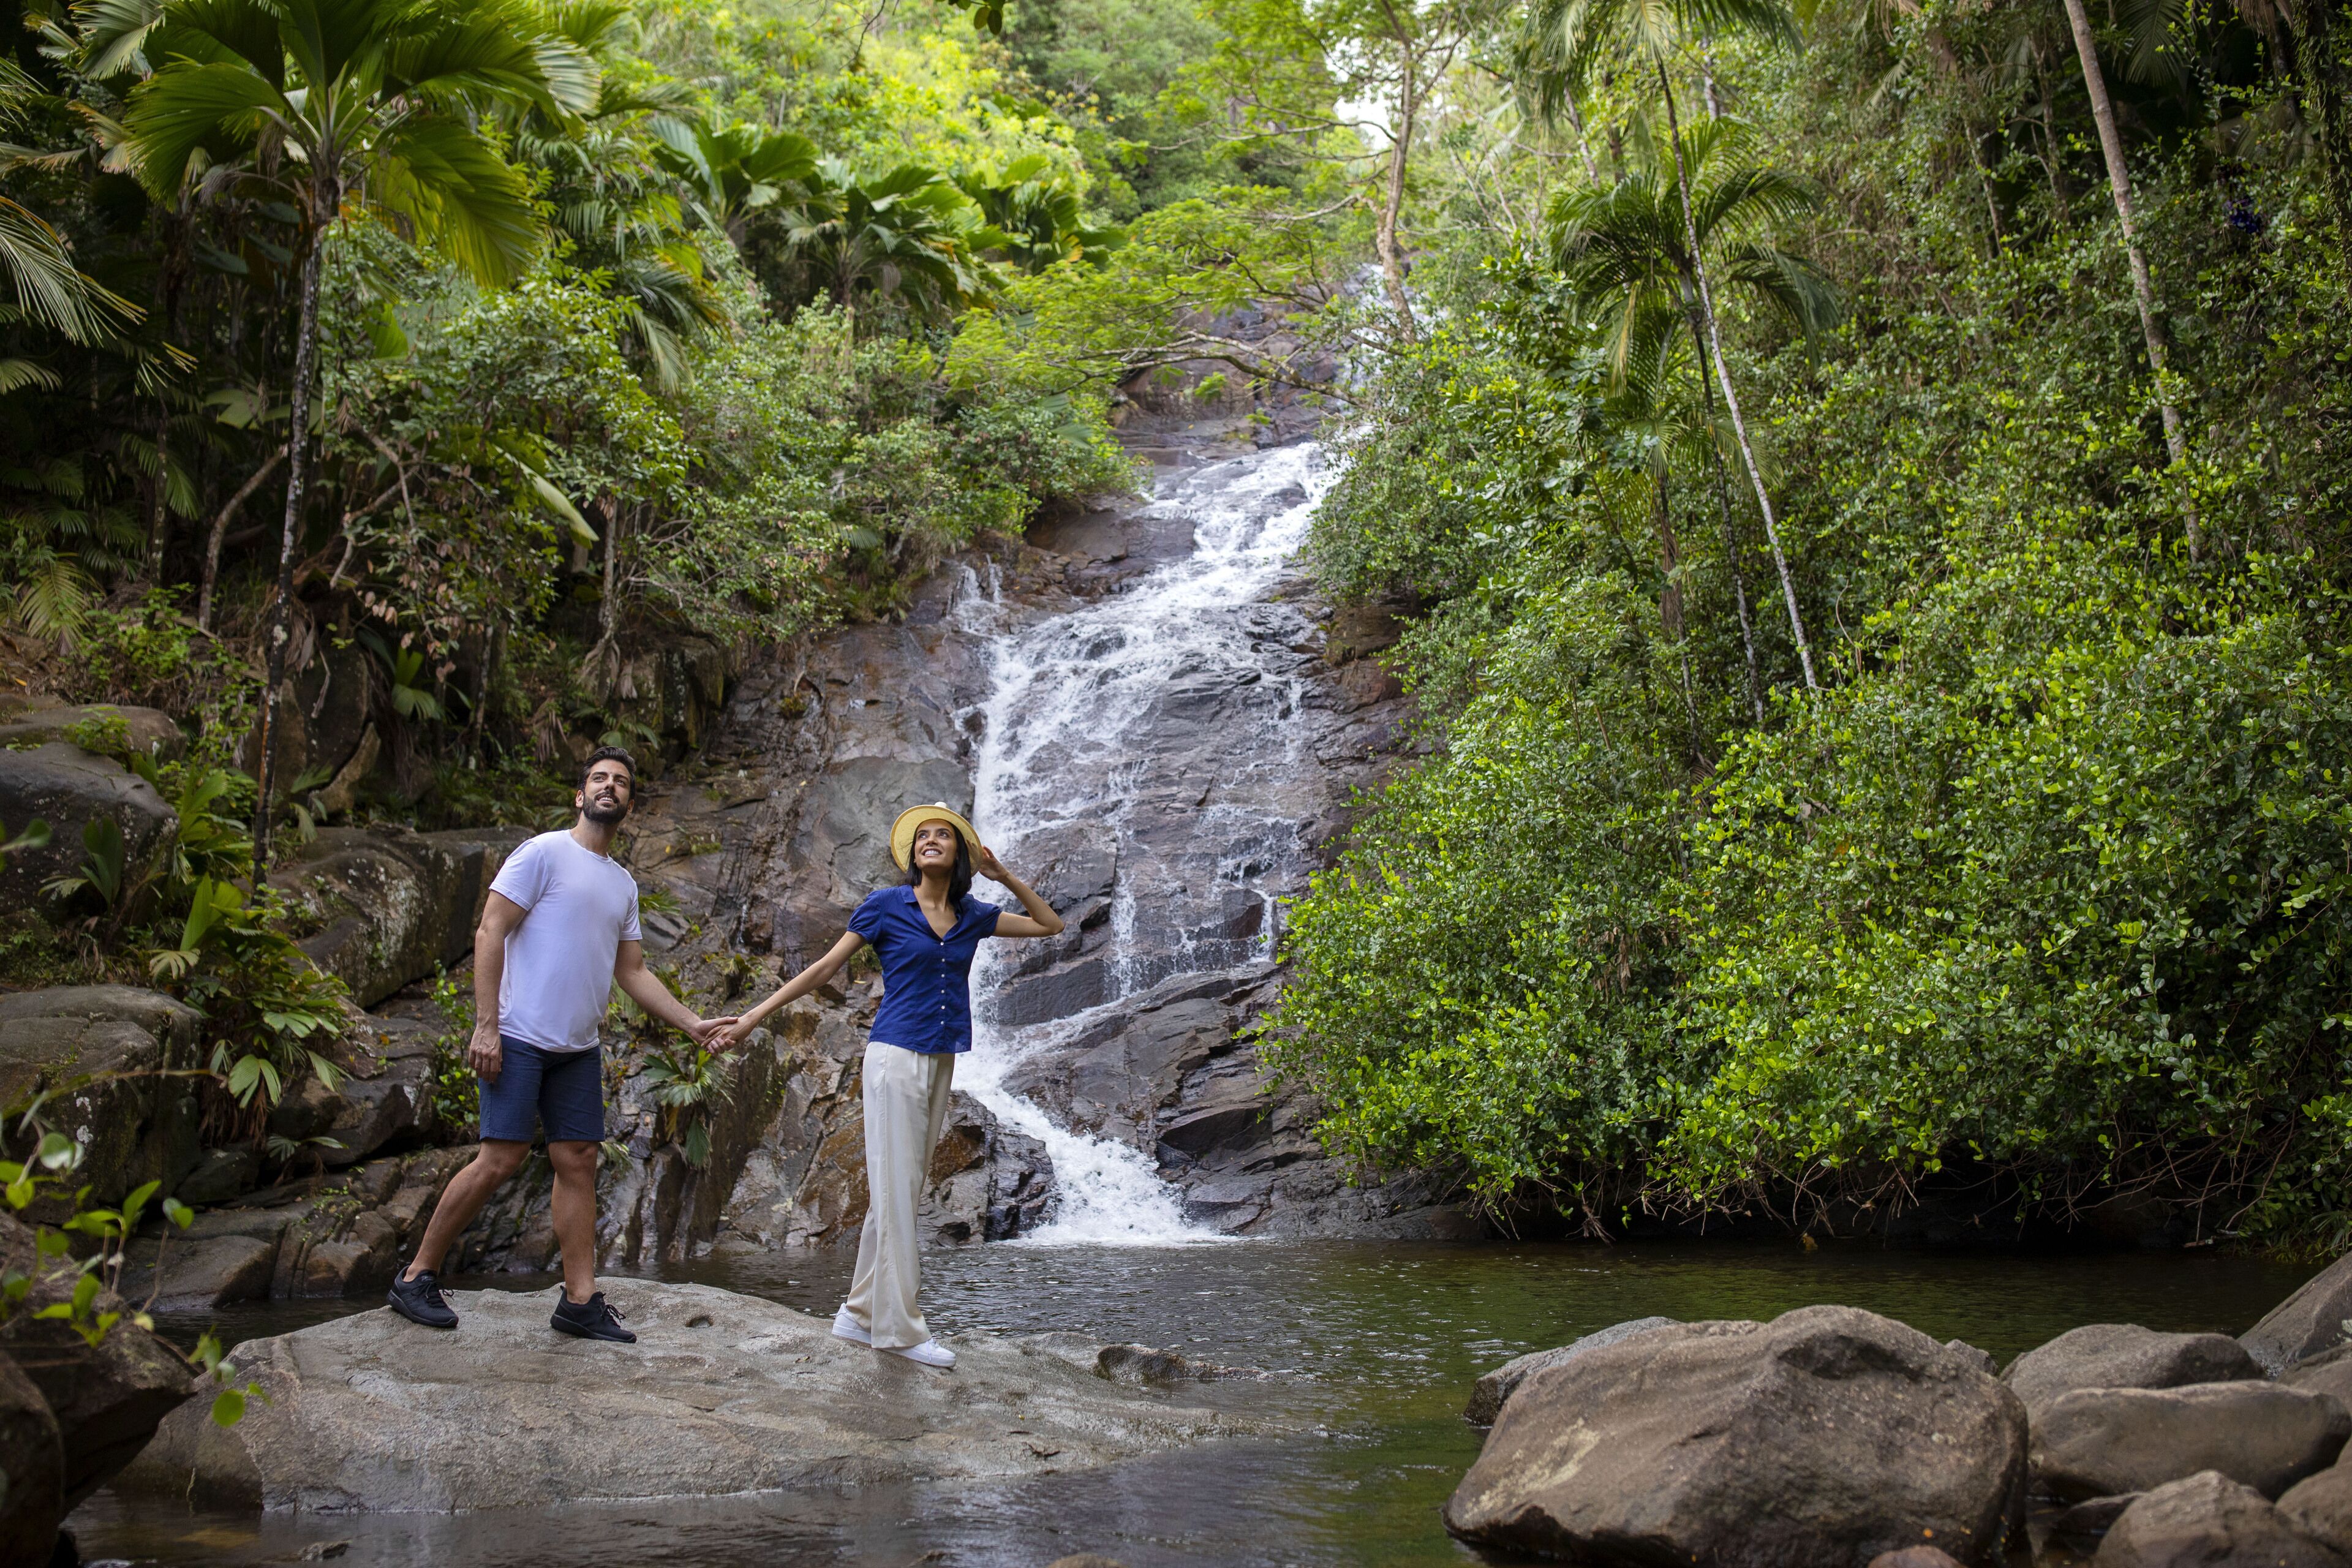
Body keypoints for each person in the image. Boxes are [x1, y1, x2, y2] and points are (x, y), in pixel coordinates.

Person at [386, 745, 735, 1341]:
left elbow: (633, 973)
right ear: (580, 795)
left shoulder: (623, 885)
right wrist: (486, 1023)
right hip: (518, 1036)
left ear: (629, 803)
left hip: (578, 1048)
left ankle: (579, 1301)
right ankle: (416, 1275)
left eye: (621, 782)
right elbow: (491, 928)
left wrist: (693, 1023)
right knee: (500, 1159)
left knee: (578, 1161)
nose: (610, 787)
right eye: (599, 778)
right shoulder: (544, 852)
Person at [720, 803, 1063, 1368]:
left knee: (898, 1193)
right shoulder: (885, 906)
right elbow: (824, 970)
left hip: (941, 1059)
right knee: (897, 1193)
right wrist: (754, 1016)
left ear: (960, 856)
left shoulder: (972, 913)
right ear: (911, 855)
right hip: (894, 1057)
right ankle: (901, 1331)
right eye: (922, 836)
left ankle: (857, 1316)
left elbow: (1050, 925)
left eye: (943, 837)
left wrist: (1004, 877)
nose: (931, 841)